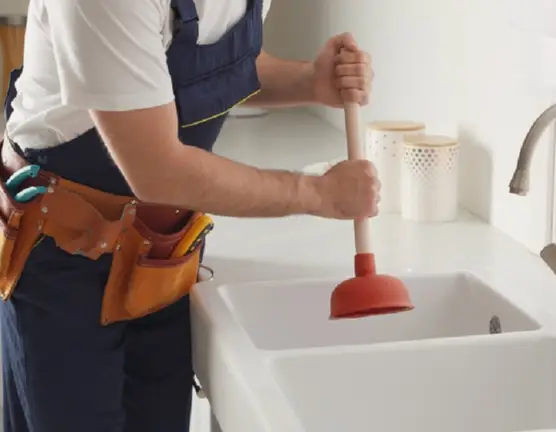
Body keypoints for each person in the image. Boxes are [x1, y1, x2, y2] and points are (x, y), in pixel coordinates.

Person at [0, 0, 377, 431]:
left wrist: (308, 80)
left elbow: (202, 67)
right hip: (61, 255)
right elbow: (157, 171)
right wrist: (315, 193)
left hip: (162, 256)